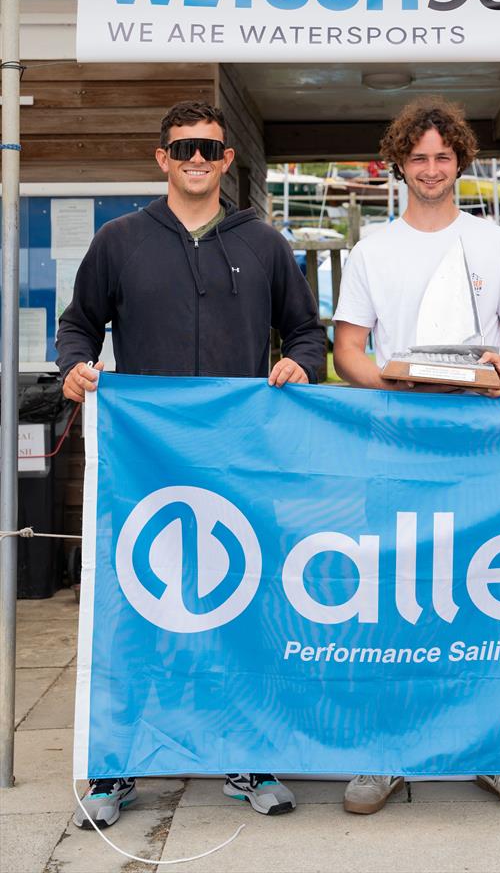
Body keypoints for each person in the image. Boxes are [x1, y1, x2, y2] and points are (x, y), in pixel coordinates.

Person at [57, 100, 326, 829]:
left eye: (209, 148)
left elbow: (306, 332)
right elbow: (78, 325)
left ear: (228, 160)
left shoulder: (265, 244)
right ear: (161, 158)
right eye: (183, 149)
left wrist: (300, 365)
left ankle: (246, 757)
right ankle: (116, 768)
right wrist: (76, 366)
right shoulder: (120, 241)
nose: (197, 160)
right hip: (144, 465)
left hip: (241, 464)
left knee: (243, 611)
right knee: (134, 614)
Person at [333, 96, 500, 816]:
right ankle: (387, 754)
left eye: (442, 157)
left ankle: (494, 750)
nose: (430, 169)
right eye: (417, 158)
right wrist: (389, 381)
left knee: (484, 597)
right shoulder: (372, 250)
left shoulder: (495, 244)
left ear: (460, 161)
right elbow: (348, 352)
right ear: (400, 163)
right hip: (394, 453)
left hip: (481, 449)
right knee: (395, 601)